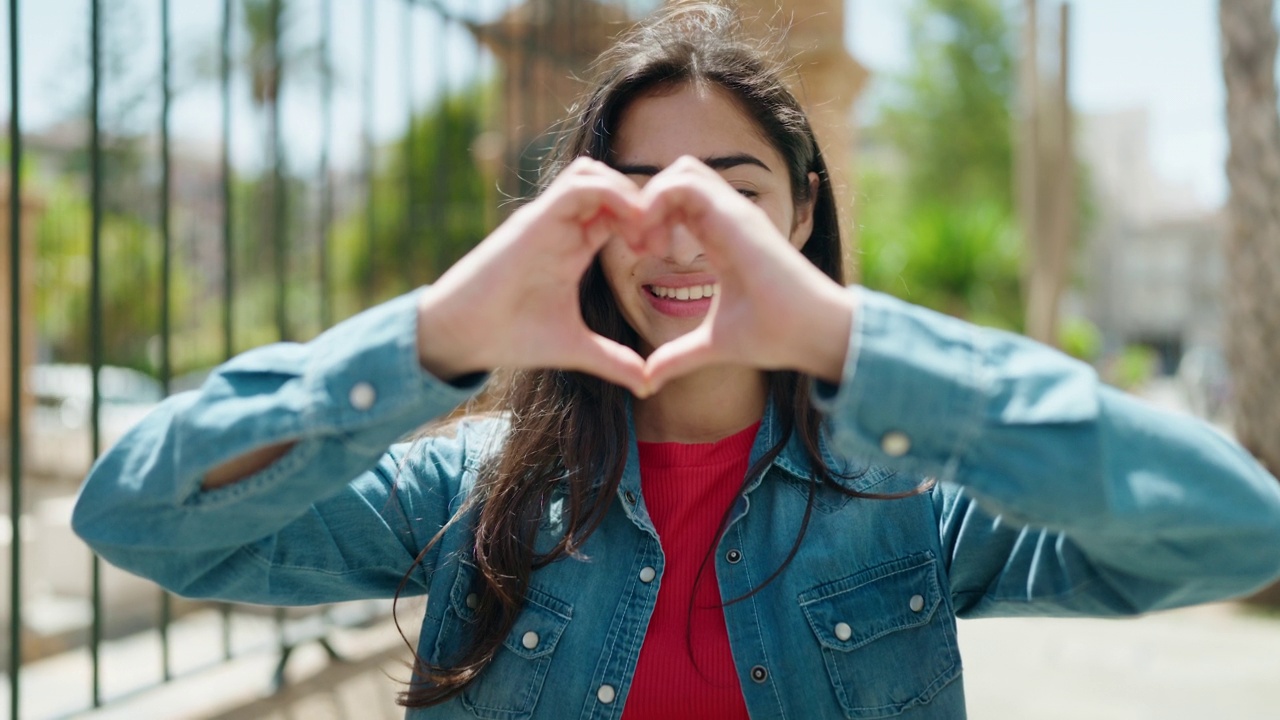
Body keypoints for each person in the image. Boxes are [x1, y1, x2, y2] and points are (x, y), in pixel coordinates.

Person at [72, 3, 1280, 719]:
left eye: (732, 192)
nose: (679, 231)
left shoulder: (906, 503)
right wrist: (434, 334)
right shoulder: (467, 500)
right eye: (632, 196)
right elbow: (142, 517)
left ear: (802, 214)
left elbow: (1232, 531)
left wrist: (852, 342)